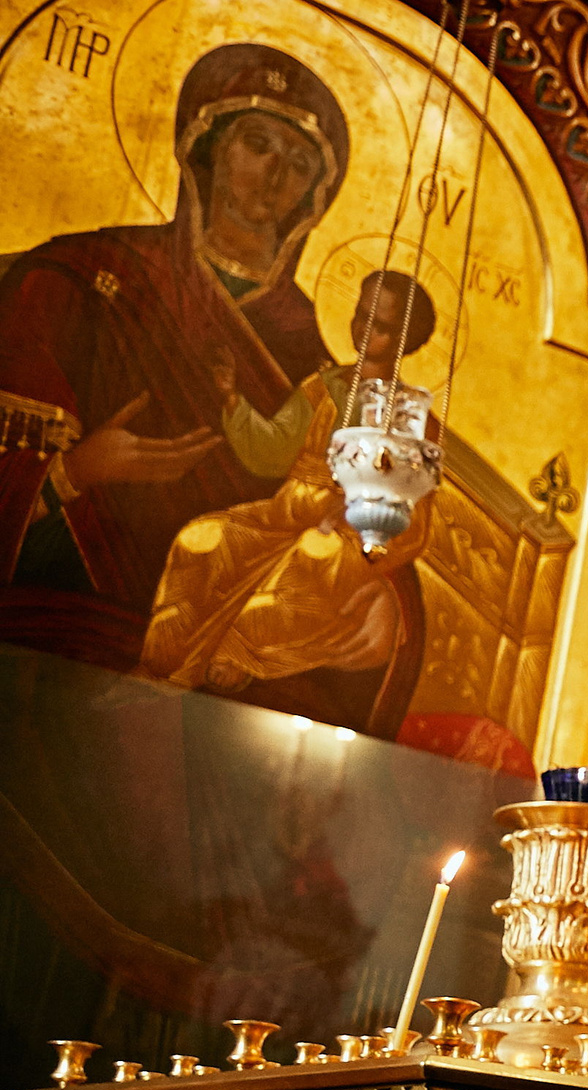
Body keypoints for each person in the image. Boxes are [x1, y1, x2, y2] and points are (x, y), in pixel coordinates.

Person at [0, 45, 351, 665]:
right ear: (208, 148)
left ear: (313, 196)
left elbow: (345, 528)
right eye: (258, 145)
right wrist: (75, 472)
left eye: (299, 165)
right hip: (49, 628)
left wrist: (373, 601)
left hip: (210, 656)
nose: (275, 174)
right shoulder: (75, 279)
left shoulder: (312, 356)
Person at [137, 271, 436, 737]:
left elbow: (414, 517)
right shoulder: (323, 386)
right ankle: (161, 658)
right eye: (360, 316)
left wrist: (356, 519)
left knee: (311, 554)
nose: (363, 331)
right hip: (283, 513)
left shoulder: (412, 417)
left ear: (403, 339)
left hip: (348, 532)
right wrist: (231, 397)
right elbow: (272, 451)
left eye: (379, 326)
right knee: (203, 537)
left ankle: (235, 655)